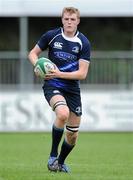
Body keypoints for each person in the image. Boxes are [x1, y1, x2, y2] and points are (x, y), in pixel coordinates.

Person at [28, 7, 91, 173]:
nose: (69, 22)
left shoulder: (83, 42)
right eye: (66, 19)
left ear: (78, 21)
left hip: (72, 88)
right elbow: (33, 54)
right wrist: (38, 66)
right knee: (62, 113)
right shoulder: (51, 36)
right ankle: (52, 156)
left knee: (73, 135)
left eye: (72, 19)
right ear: (62, 20)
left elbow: (82, 73)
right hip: (52, 83)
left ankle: (60, 163)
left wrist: (60, 73)